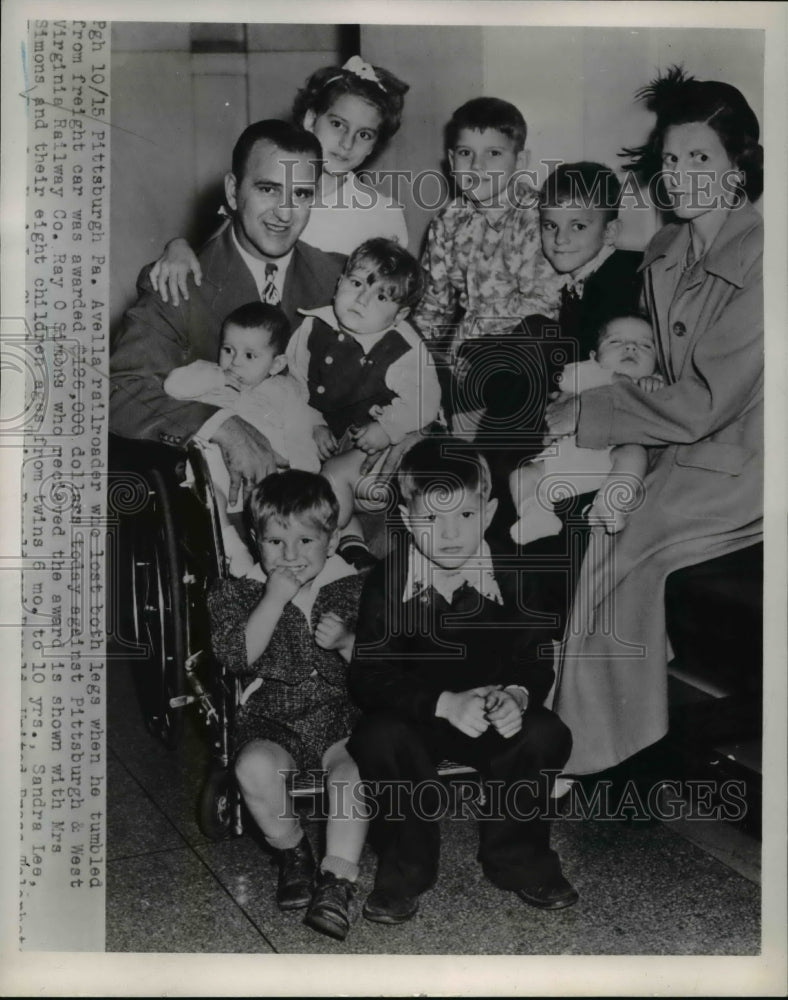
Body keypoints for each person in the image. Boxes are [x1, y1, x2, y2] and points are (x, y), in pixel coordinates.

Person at [546, 67, 764, 775]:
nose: (682, 173)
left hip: (742, 461)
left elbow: (706, 401)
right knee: (579, 514)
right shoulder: (668, 250)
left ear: (738, 169)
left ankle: (591, 750)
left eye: (702, 157)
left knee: (621, 541)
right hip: (677, 441)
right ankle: (586, 726)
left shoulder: (764, 263)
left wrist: (595, 412)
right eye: (672, 159)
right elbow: (657, 377)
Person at [348, 439, 577, 924]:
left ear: (489, 512)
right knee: (377, 737)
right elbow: (369, 675)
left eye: (466, 518)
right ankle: (404, 870)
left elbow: (535, 657)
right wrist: (440, 703)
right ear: (408, 521)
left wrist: (515, 694)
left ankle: (519, 859)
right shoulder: (389, 582)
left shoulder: (514, 574)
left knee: (545, 732)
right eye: (432, 520)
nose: (451, 534)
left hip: (492, 720)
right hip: (418, 719)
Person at [110, 120, 345, 506]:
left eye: (301, 194)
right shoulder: (180, 282)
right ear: (234, 192)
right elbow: (120, 389)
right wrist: (222, 426)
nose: (284, 214)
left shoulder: (343, 280)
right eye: (268, 189)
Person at [207, 470, 367, 942]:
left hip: (341, 712)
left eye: (304, 540)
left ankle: (337, 882)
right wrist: (273, 600)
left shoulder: (352, 588)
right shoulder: (237, 591)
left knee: (352, 774)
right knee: (254, 767)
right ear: (255, 542)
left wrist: (346, 643)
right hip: (273, 717)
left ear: (332, 540)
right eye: (276, 542)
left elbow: (383, 665)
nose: (291, 556)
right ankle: (293, 852)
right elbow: (236, 656)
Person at [149, 55, 410, 304]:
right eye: (338, 124)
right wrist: (179, 247)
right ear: (310, 120)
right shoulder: (265, 193)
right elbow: (212, 257)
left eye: (364, 135)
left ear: (374, 147)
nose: (346, 143)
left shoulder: (383, 214)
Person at [409, 97, 564, 427]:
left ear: (520, 160)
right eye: (466, 153)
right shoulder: (447, 221)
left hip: (527, 351)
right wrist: (413, 354)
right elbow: (432, 307)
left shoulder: (536, 216)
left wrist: (467, 339)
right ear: (451, 160)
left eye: (493, 153)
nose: (477, 166)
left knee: (532, 342)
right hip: (467, 354)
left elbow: (542, 304)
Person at [287, 238, 442, 566]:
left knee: (331, 480)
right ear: (339, 282)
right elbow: (295, 383)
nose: (361, 298)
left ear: (400, 315)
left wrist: (388, 427)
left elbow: (426, 400)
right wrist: (311, 420)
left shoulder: (402, 347)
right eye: (356, 283)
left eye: (381, 296)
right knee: (304, 473)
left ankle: (317, 545)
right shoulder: (312, 327)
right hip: (334, 441)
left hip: (382, 453)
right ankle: (355, 549)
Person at [509, 315, 661, 547]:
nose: (631, 347)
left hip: (612, 457)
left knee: (634, 454)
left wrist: (656, 384)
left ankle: (609, 503)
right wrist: (613, 377)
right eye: (616, 342)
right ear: (594, 355)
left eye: (645, 345)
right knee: (522, 475)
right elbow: (568, 378)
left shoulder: (653, 383)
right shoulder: (588, 371)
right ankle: (535, 513)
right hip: (571, 455)